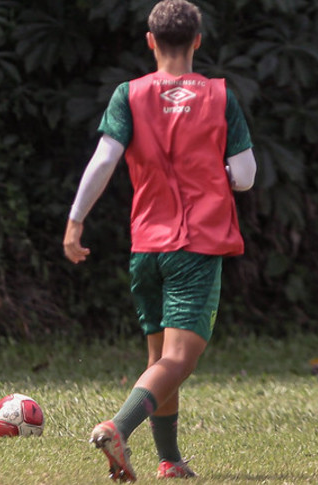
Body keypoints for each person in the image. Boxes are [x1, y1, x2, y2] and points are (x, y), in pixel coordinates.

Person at [62, 0, 256, 481]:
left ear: (150, 41)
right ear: (198, 40)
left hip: (148, 245)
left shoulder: (128, 95)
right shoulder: (220, 96)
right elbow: (246, 176)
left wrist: (75, 220)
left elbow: (104, 160)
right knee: (178, 360)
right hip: (197, 244)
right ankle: (118, 427)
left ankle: (169, 460)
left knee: (159, 359)